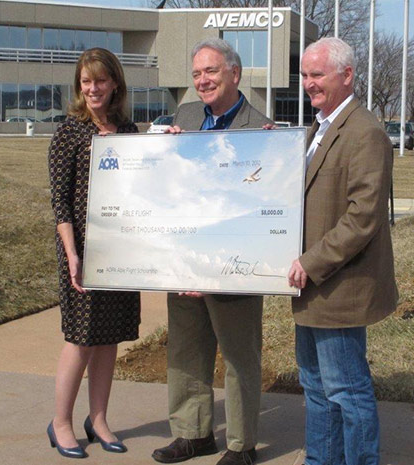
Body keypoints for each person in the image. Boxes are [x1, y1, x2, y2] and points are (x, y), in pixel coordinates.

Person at [151, 38, 273, 465]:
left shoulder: (261, 128)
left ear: (234, 74)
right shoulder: (184, 117)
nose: (202, 81)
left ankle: (242, 445)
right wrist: (162, 150)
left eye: (211, 72)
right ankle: (193, 433)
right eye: (197, 73)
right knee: (185, 349)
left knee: (239, 355)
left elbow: (260, 204)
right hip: (183, 261)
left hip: (233, 263)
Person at [287, 38, 398, 465]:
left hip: (339, 289)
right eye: (304, 75)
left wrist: (310, 264)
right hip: (313, 289)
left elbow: (362, 219)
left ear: (346, 75)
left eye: (317, 75)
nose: (308, 84)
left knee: (347, 393)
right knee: (315, 389)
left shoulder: (365, 132)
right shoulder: (319, 129)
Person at [47, 47, 141, 459]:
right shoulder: (70, 132)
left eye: (100, 80)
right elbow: (60, 203)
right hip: (82, 250)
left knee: (109, 337)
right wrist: (71, 254)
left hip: (121, 247)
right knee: (81, 338)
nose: (92, 88)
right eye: (86, 81)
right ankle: (61, 422)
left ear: (114, 83)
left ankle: (98, 418)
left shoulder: (129, 131)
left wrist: (166, 143)